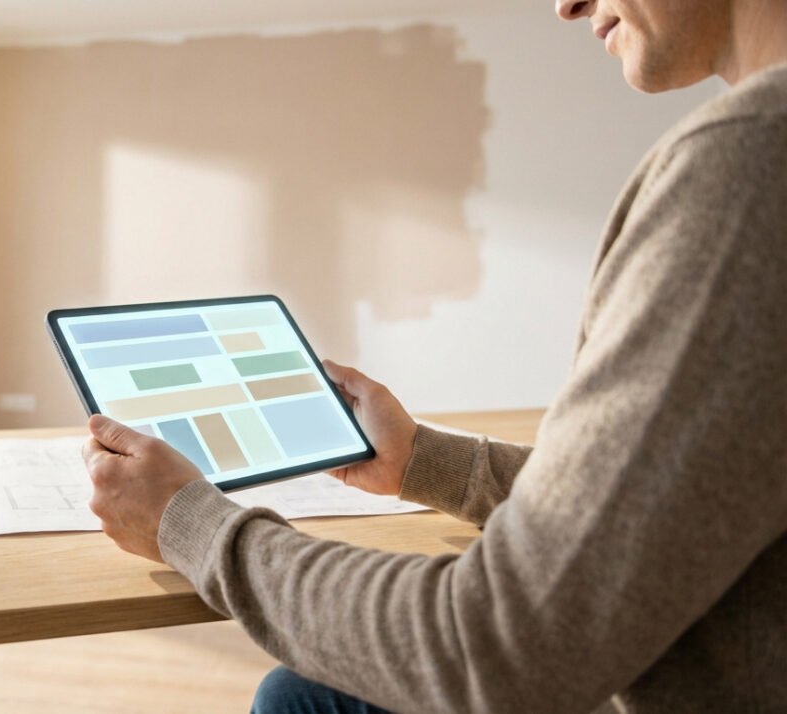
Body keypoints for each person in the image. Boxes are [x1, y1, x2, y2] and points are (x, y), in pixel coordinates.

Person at [80, 1, 787, 712]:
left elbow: (497, 650)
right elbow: (666, 510)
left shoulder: (753, 162)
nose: (566, 4)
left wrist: (189, 524)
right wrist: (424, 460)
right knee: (302, 694)